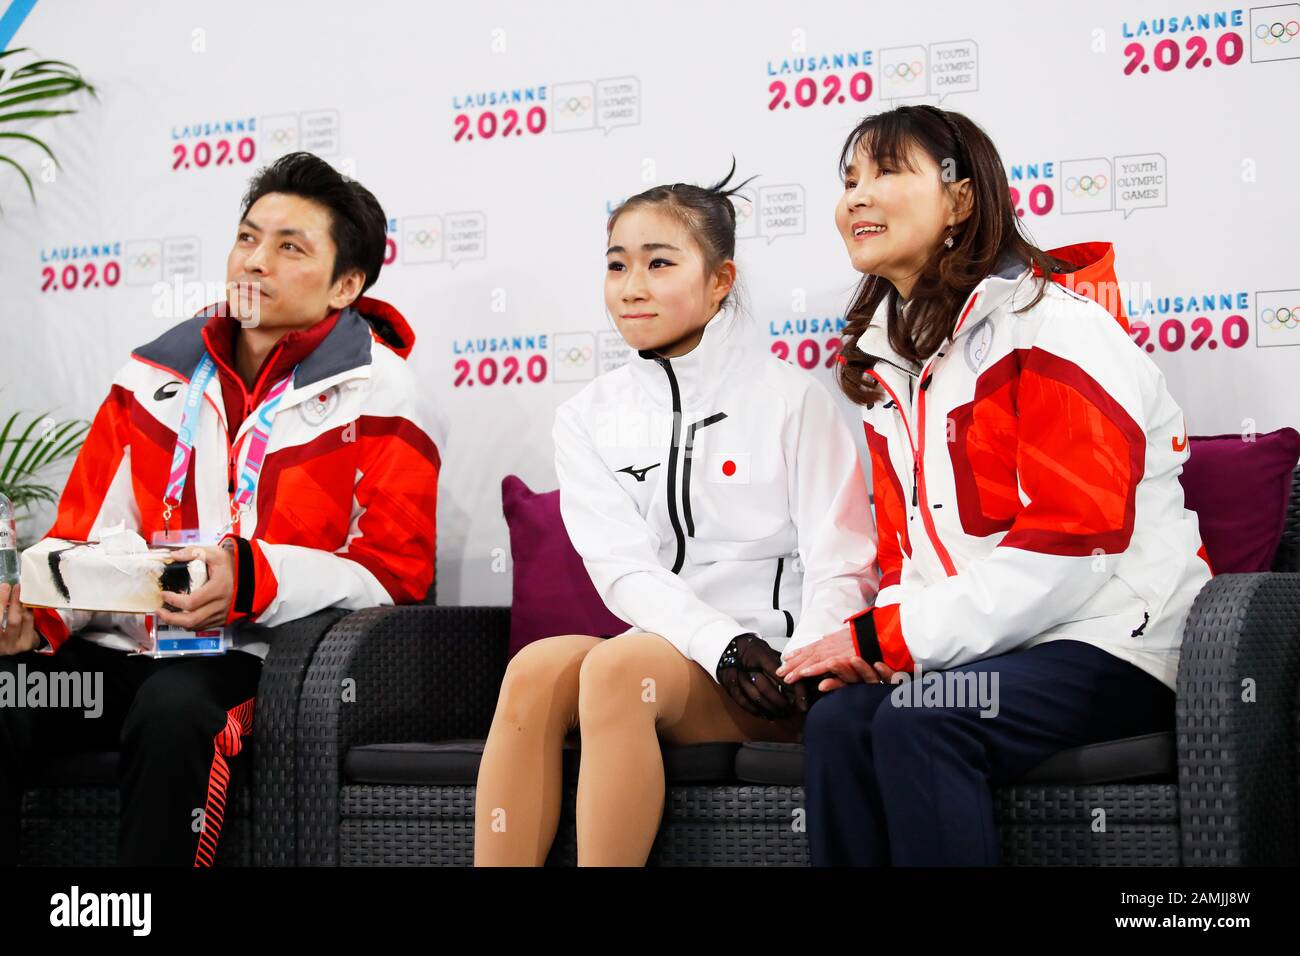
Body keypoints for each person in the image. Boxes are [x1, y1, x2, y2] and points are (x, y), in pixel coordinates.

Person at [780, 105, 1213, 866]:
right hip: (988, 651)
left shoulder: (1056, 329)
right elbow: (905, 561)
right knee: (840, 721)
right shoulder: (893, 369)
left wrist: (897, 640)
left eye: (887, 172)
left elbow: (1074, 543)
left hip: (1112, 641)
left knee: (921, 718)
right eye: (848, 179)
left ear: (961, 198)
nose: (856, 196)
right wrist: (878, 647)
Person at [0, 151, 440, 866]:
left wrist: (253, 578)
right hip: (122, 653)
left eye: (289, 247)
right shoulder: (151, 374)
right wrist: (38, 615)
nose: (254, 262)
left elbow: (396, 576)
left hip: (258, 660)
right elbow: (81, 535)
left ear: (346, 285)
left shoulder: (381, 392)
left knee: (174, 710)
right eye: (247, 237)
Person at [474, 165, 878, 866]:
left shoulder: (792, 399)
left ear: (720, 280)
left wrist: (810, 662)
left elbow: (840, 557)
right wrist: (718, 642)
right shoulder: (587, 416)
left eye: (660, 263)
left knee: (620, 667)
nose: (632, 287)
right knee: (538, 669)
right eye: (617, 265)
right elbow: (622, 567)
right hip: (685, 655)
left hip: (774, 675)